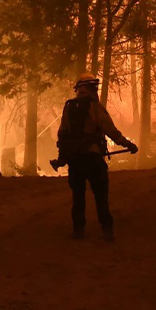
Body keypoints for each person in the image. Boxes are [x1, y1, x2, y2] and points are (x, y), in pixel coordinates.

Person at [55, 73, 138, 241]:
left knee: (78, 196)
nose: (95, 90)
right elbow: (110, 130)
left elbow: (62, 134)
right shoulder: (95, 106)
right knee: (101, 195)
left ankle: (78, 231)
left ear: (78, 89)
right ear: (89, 88)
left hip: (75, 159)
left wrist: (62, 157)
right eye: (94, 87)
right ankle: (107, 230)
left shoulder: (69, 107)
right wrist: (127, 144)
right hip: (92, 157)